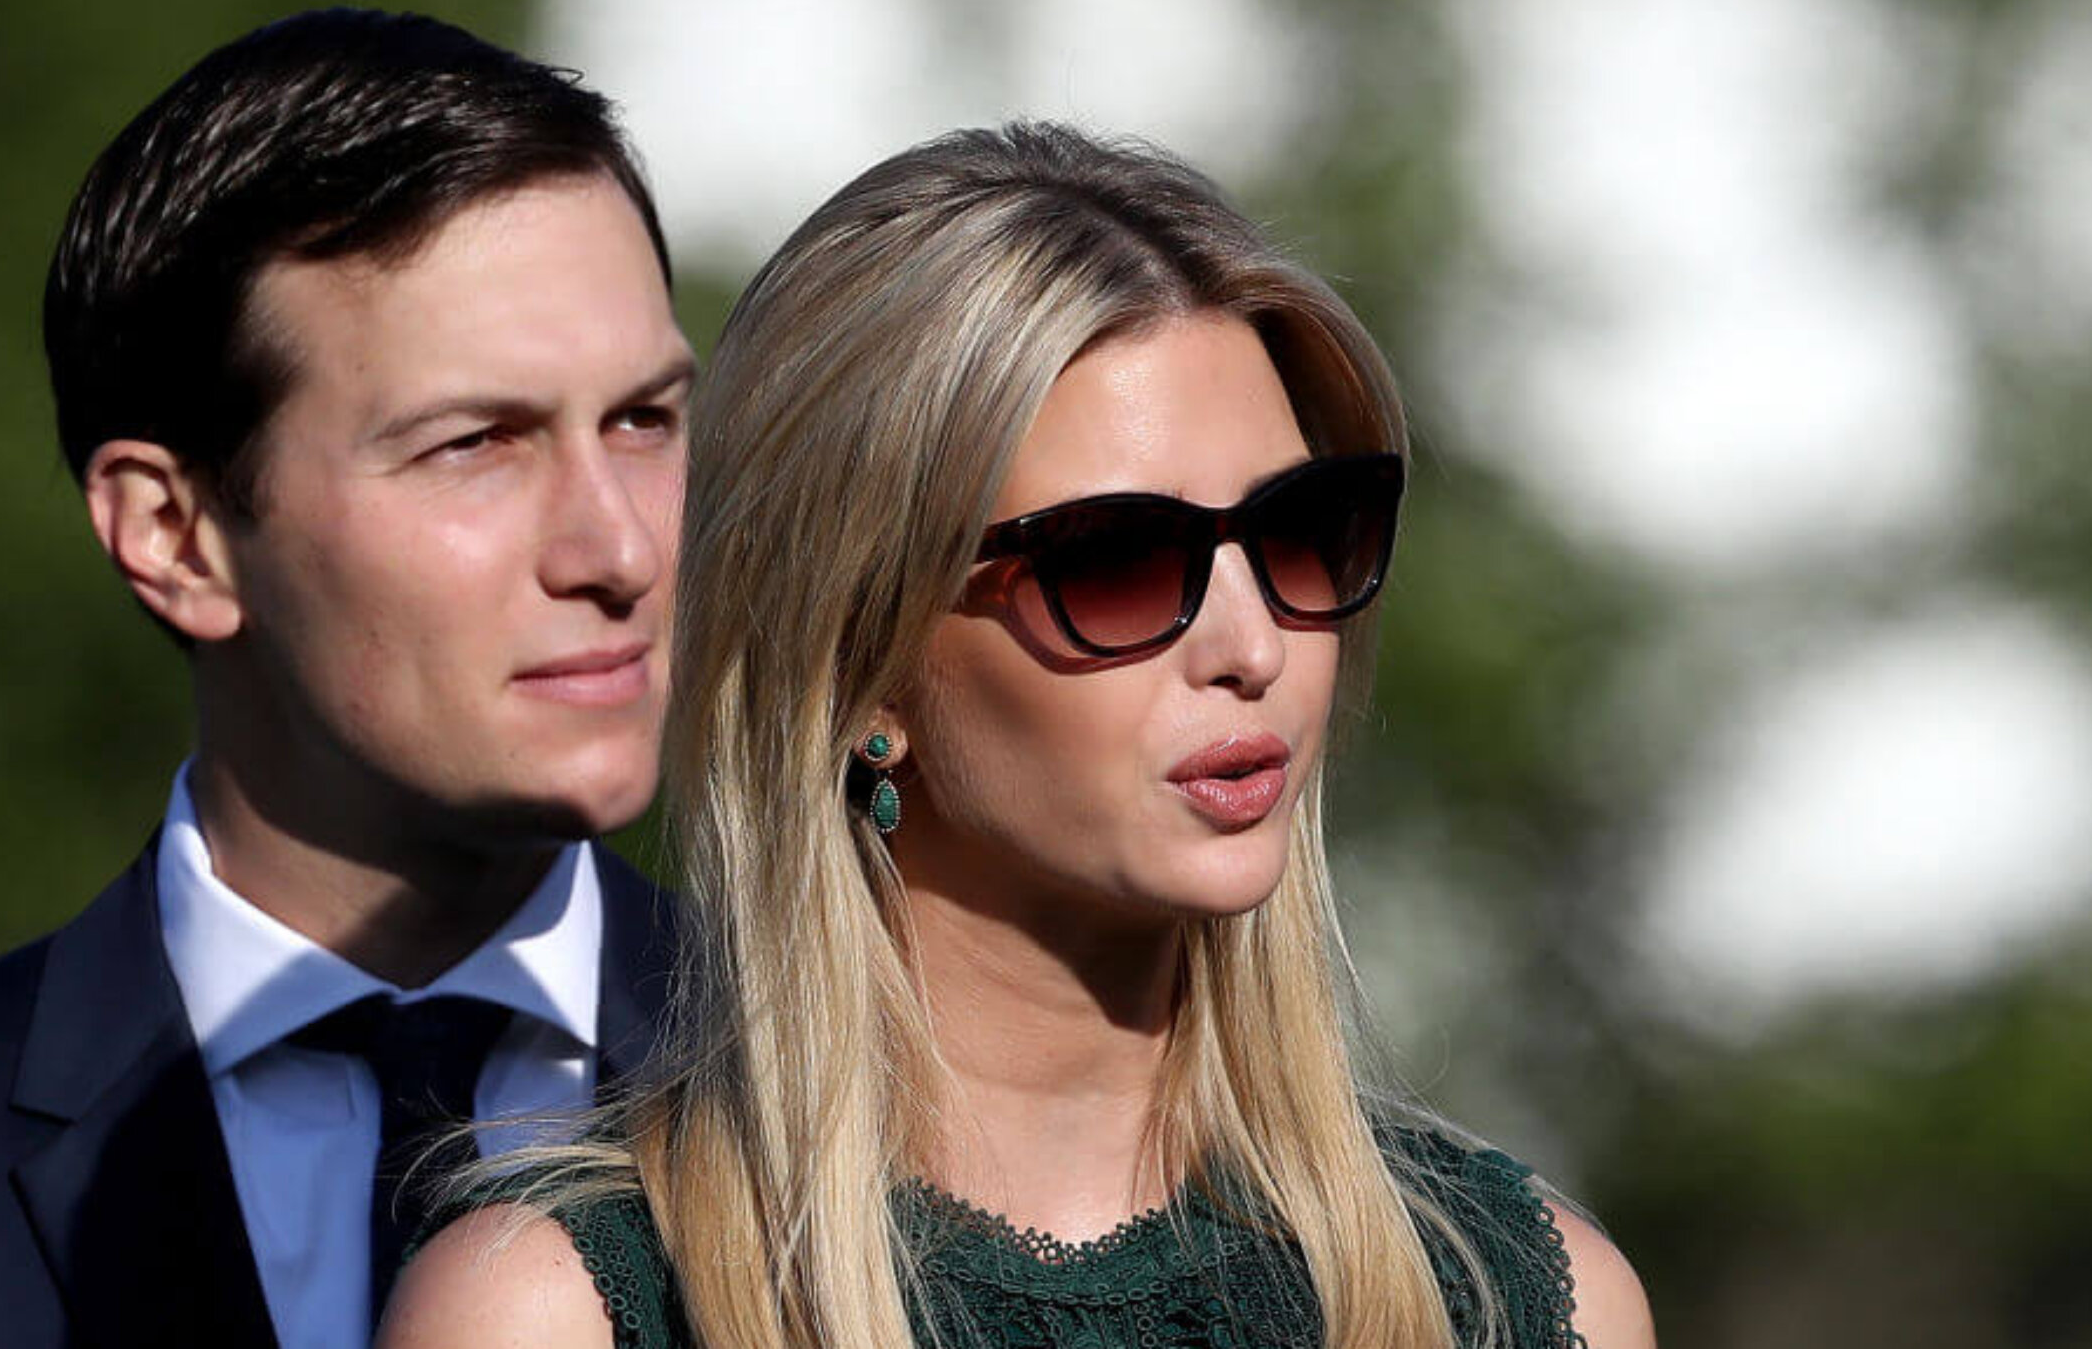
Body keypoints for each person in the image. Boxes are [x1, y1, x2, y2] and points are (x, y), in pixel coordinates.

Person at [384, 123, 1655, 1349]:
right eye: (1115, 562)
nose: (1253, 645)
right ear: (858, 669)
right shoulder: (563, 1311)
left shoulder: (1526, 1302)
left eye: (1298, 531)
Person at [0, 11, 694, 1348]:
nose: (620, 547)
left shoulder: (895, 1093)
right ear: (175, 535)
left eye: (645, 419)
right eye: (474, 444)